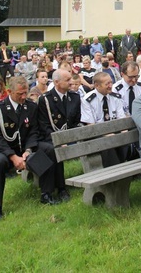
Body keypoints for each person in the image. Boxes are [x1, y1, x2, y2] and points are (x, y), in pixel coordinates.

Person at [0, 76, 43, 219]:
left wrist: (28, 150)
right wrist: (12, 156)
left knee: (45, 151)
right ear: (9, 91)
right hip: (4, 150)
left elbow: (33, 131)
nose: (24, 96)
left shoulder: (31, 106)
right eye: (20, 94)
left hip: (24, 148)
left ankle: (47, 193)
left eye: (25, 93)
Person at [37, 69, 81, 204]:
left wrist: (69, 139)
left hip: (69, 137)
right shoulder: (45, 100)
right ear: (56, 82)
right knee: (52, 149)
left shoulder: (75, 97)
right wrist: (59, 141)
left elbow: (75, 121)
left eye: (71, 79)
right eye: (67, 80)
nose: (71, 82)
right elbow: (44, 126)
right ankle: (60, 188)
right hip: (51, 138)